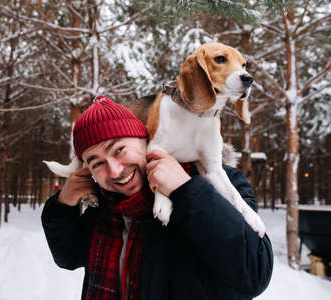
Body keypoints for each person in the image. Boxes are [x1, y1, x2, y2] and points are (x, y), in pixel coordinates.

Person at [41, 95, 273, 300]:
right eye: (97, 163)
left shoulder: (220, 185)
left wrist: (185, 190)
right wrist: (63, 206)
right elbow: (68, 257)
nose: (113, 170)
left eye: (119, 150)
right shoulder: (104, 205)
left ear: (145, 141)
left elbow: (254, 273)